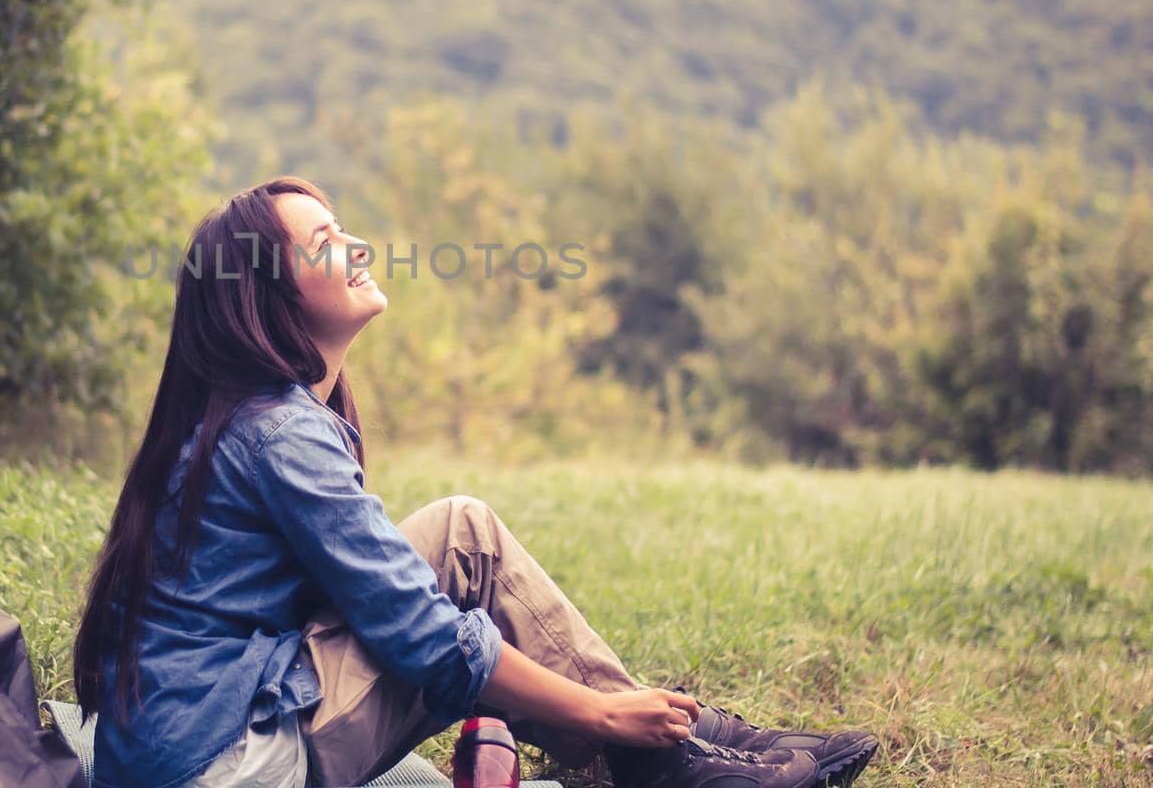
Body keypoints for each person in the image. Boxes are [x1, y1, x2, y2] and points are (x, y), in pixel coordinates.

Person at [72, 178, 878, 788]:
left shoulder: (252, 420)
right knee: (465, 546)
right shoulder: (277, 432)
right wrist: (598, 711)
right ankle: (670, 753)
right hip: (224, 764)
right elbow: (425, 638)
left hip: (195, 746)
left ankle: (687, 748)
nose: (356, 247)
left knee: (463, 536)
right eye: (324, 240)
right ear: (268, 295)